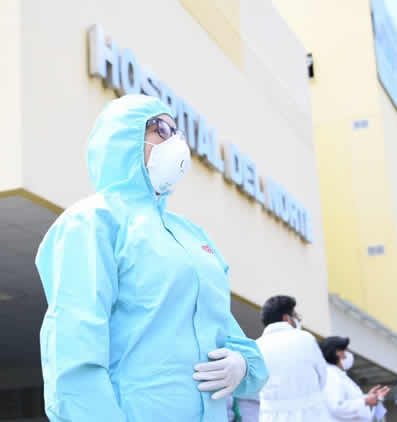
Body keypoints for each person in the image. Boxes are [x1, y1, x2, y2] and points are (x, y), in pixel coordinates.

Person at [35, 95, 268, 422]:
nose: (175, 142)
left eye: (177, 132)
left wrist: (243, 365)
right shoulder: (94, 221)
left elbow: (231, 337)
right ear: (122, 139)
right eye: (160, 129)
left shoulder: (193, 236)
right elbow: (74, 354)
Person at [256, 295, 331, 422]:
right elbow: (322, 377)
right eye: (295, 316)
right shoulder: (305, 338)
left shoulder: (257, 346)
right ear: (286, 318)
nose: (297, 319)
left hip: (270, 417)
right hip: (311, 415)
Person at [320, 336, 389, 421]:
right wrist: (365, 401)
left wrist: (368, 397)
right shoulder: (331, 376)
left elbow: (349, 402)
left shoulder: (339, 375)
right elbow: (336, 407)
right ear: (338, 352)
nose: (348, 354)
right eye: (346, 350)